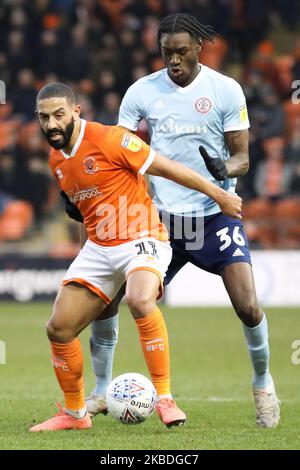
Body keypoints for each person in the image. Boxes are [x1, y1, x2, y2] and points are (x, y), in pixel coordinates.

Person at [87, 13, 280, 428]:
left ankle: (263, 385)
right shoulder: (141, 92)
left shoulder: (225, 90)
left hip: (214, 217)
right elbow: (120, 153)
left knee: (247, 306)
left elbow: (244, 159)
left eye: (181, 51)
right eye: (166, 52)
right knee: (108, 300)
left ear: (198, 48)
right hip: (160, 223)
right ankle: (101, 391)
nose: (173, 60)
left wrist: (223, 164)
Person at [29, 81, 241, 432]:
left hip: (143, 237)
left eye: (58, 115)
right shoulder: (56, 161)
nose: (51, 123)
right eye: (44, 117)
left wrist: (218, 194)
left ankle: (165, 398)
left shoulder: (110, 139)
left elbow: (166, 167)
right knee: (58, 328)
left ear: (76, 112)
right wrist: (89, 255)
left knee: (140, 299)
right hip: (99, 247)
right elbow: (87, 212)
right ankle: (76, 414)